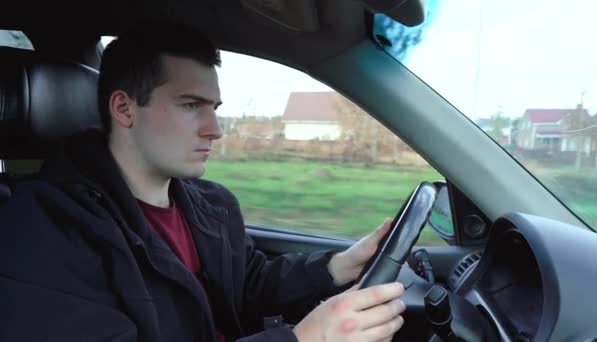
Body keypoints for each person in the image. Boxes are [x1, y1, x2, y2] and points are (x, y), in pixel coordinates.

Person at [0, 23, 406, 341]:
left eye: (213, 108)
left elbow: (248, 283)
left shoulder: (211, 204)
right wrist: (301, 339)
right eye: (191, 105)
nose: (214, 130)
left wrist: (336, 267)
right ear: (124, 108)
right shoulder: (44, 229)